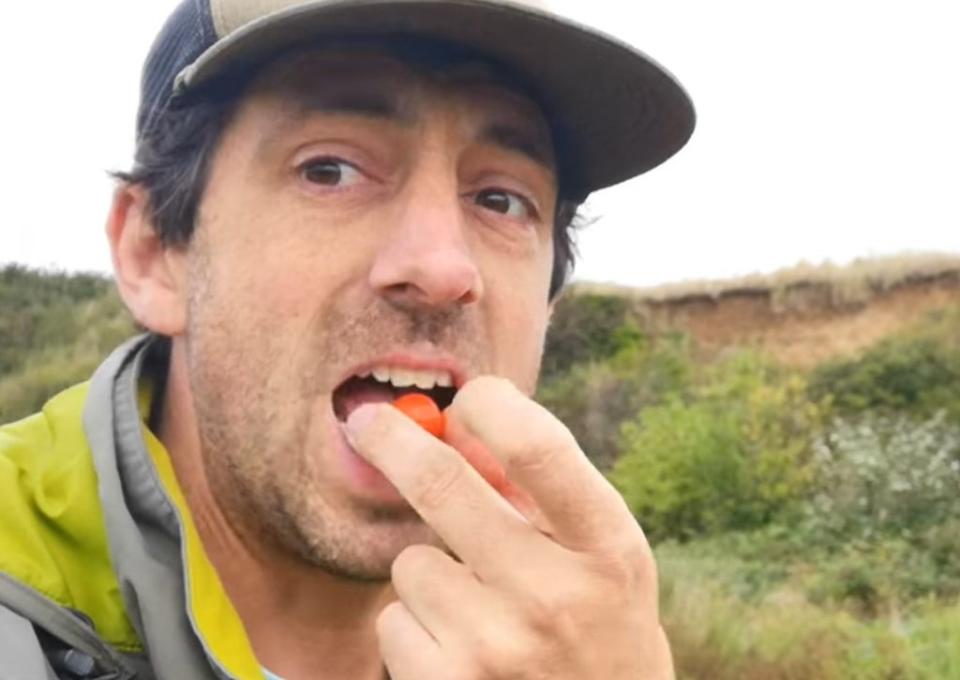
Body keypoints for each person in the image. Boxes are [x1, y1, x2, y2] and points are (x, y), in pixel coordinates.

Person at [0, 0, 694, 678]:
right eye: (328, 170)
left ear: (548, 304)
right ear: (154, 254)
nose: (441, 270)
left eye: (501, 199)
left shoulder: (570, 645)